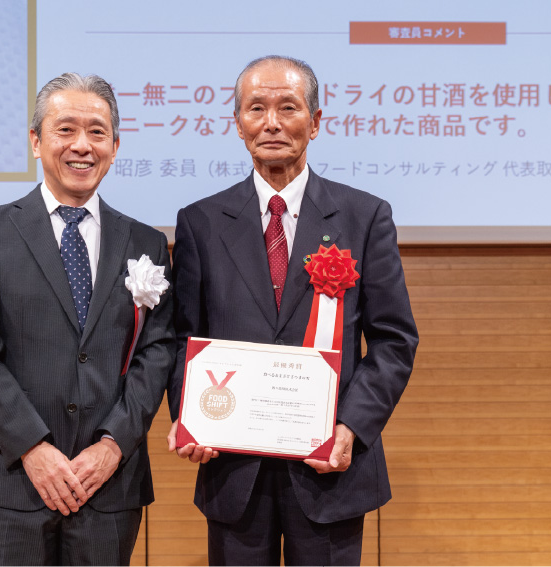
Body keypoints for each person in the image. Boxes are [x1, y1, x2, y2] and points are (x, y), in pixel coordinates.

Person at [167, 55, 419, 566]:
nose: (272, 122)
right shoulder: (200, 222)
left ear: (317, 122)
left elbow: (394, 340)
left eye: (288, 107)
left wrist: (349, 426)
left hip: (330, 468)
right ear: (238, 124)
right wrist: (188, 416)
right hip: (234, 468)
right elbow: (179, 337)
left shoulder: (364, 216)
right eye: (256, 108)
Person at [0, 72, 175, 566]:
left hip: (107, 486)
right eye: (65, 129)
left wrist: (113, 446)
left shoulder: (146, 244)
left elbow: (156, 354)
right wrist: (33, 448)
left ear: (115, 145)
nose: (82, 146)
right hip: (8, 481)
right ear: (35, 141)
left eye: (97, 131)